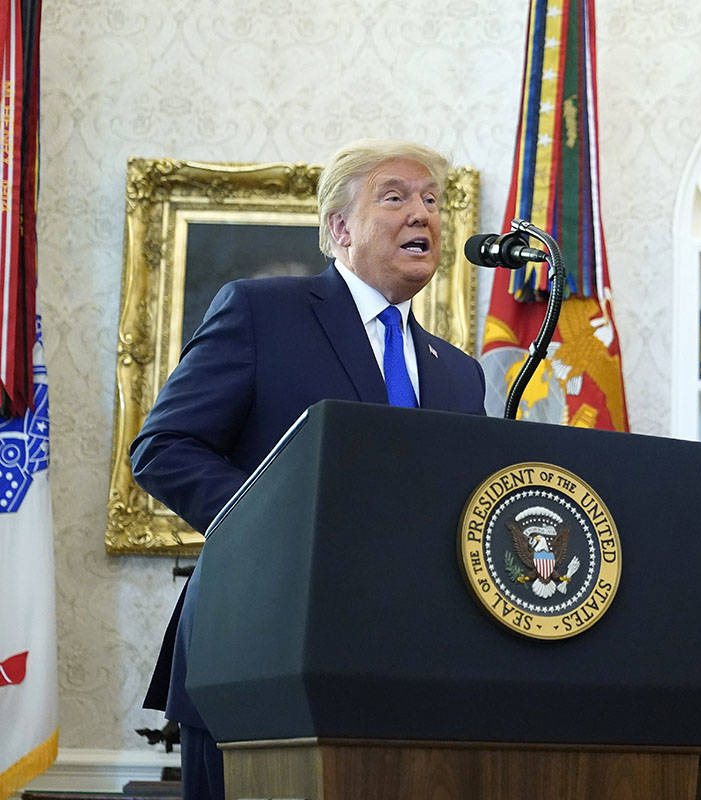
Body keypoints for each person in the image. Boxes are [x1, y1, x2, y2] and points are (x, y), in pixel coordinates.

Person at [130, 139, 486, 800]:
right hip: (259, 656)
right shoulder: (262, 312)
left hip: (403, 676)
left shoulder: (459, 374)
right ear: (339, 229)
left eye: (432, 201)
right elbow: (164, 447)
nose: (423, 214)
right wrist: (286, 524)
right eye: (396, 197)